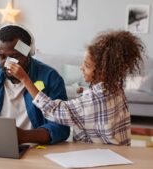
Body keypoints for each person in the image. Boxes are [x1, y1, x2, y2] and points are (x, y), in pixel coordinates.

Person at [8, 30, 145, 145]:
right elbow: (99, 105)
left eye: (87, 65)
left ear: (103, 71)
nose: (81, 68)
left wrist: (25, 79)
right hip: (121, 151)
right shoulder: (115, 89)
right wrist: (87, 92)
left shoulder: (92, 99)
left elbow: (54, 111)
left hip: (98, 156)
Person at [0, 24, 70, 144]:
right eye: (2, 56)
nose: (7, 63)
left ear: (28, 53)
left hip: (35, 148)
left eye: (14, 56)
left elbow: (61, 128)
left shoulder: (51, 77)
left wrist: (24, 136)